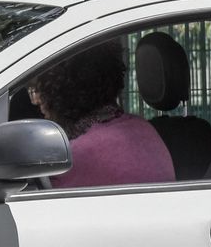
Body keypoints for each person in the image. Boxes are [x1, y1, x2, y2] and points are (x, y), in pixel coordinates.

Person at [28, 39, 175, 188]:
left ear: (62, 90)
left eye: (38, 89)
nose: (35, 100)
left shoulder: (78, 157)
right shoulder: (143, 129)